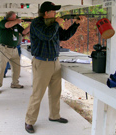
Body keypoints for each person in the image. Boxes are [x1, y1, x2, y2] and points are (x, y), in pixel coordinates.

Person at [25, 1, 85, 133]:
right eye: (53, 12)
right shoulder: (37, 23)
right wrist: (57, 22)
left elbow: (64, 36)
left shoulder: (52, 24)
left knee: (55, 93)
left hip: (55, 62)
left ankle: (54, 116)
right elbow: (46, 35)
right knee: (37, 95)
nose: (55, 14)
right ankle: (29, 121)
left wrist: (76, 24)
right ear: (46, 13)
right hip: (42, 63)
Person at [0, 11, 30, 94]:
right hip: (4, 48)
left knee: (16, 67)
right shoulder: (3, 22)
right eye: (14, 17)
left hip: (14, 49)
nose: (16, 18)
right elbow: (7, 25)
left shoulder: (16, 25)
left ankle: (15, 83)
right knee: (1, 68)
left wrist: (30, 26)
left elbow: (24, 32)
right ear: (9, 17)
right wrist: (17, 21)